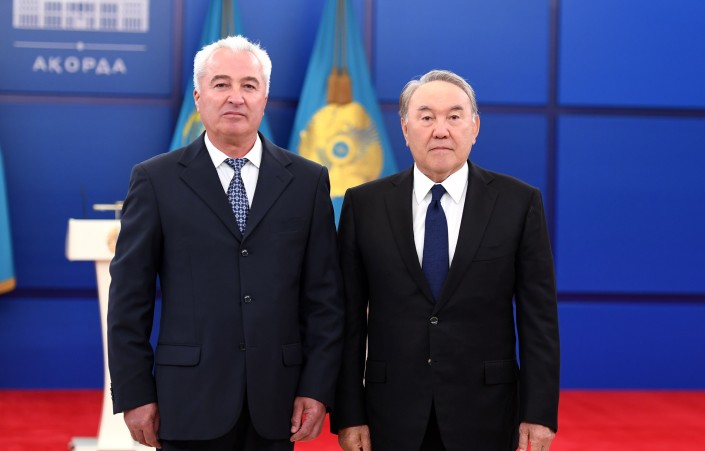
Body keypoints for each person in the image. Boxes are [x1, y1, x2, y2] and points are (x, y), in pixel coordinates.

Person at [107, 35, 344, 451]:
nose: (236, 97)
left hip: (277, 403)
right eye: (221, 84)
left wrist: (317, 386)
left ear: (264, 98)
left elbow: (324, 298)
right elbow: (129, 298)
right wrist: (134, 392)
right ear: (198, 97)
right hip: (187, 402)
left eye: (249, 85)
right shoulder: (156, 180)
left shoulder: (307, 182)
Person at [331, 70, 560, 451]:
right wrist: (349, 412)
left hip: (488, 412)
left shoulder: (519, 204)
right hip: (390, 414)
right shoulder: (365, 205)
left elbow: (540, 320)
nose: (441, 130)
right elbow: (348, 319)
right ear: (405, 129)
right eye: (426, 117)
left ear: (475, 127)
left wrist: (538, 413)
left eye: (454, 116)